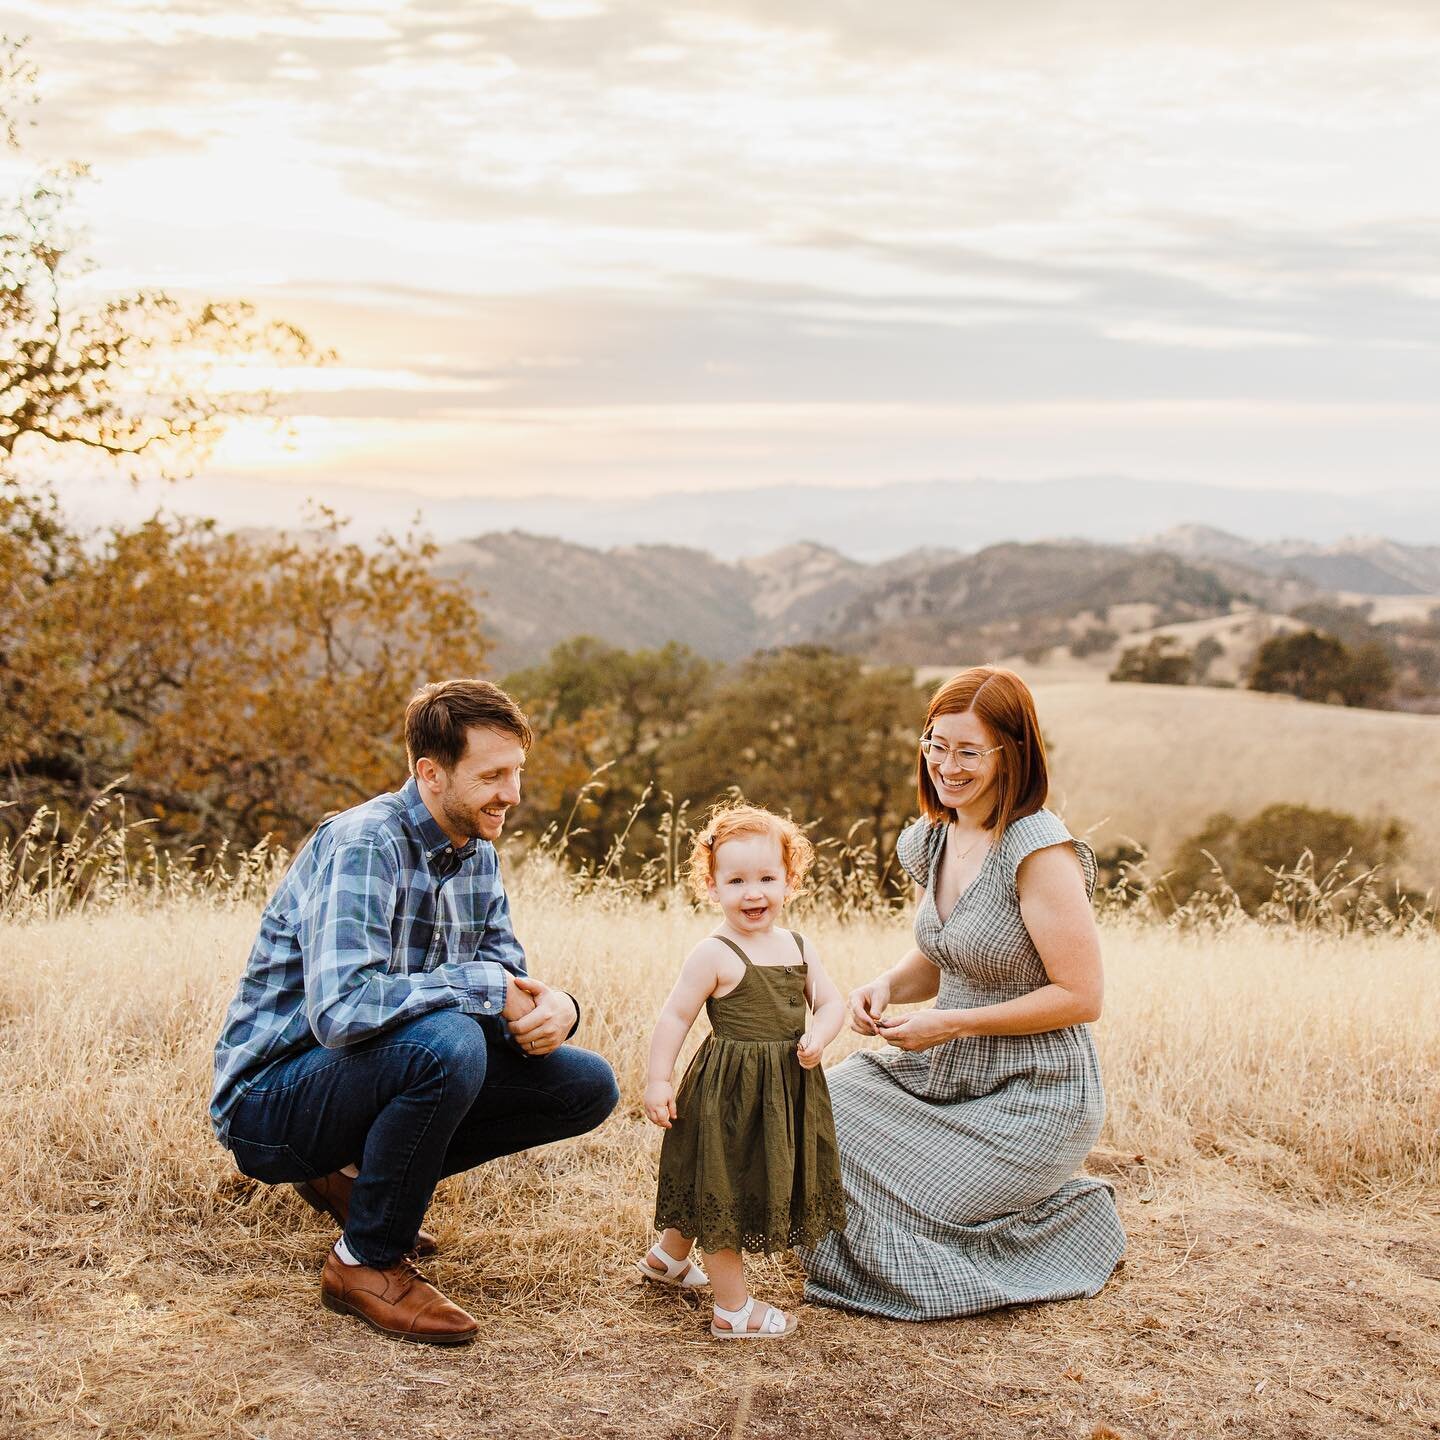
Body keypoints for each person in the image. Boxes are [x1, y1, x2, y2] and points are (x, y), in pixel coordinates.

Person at [209, 678, 619, 1346]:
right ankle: (364, 1262)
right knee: (448, 1043)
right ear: (429, 773)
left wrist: (558, 1009)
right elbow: (340, 1012)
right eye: (492, 776)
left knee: (586, 1085)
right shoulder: (364, 845)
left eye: (516, 772)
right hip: (271, 1103)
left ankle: (352, 1180)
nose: (512, 795)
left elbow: (503, 979)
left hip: (364, 1076)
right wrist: (483, 989)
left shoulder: (477, 851)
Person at [800, 666, 1126, 1319]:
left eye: (968, 751)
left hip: (1035, 1097)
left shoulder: (1038, 852)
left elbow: (1082, 996)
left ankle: (1055, 1212)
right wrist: (887, 984)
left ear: (1013, 755)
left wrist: (952, 1024)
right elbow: (944, 951)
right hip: (947, 1076)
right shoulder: (935, 837)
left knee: (875, 1189)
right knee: (811, 1111)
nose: (947, 766)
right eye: (936, 745)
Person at [637, 803, 848, 1339]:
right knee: (723, 1185)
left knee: (721, 1176)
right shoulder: (714, 953)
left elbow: (830, 1004)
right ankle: (732, 1310)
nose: (753, 893)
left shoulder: (798, 947)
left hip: (784, 1090)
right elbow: (675, 1017)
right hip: (728, 1094)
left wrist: (819, 1035)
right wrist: (659, 1080)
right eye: (736, 880)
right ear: (711, 886)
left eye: (766, 878)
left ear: (789, 880)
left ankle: (668, 1259)